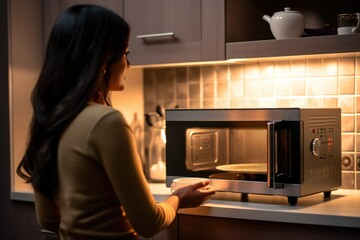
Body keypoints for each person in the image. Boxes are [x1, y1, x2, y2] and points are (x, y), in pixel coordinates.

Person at [16, 4, 215, 240]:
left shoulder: (48, 119)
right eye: (125, 53)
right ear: (102, 62)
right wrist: (178, 199)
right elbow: (149, 223)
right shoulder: (106, 122)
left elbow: (48, 219)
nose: (128, 64)